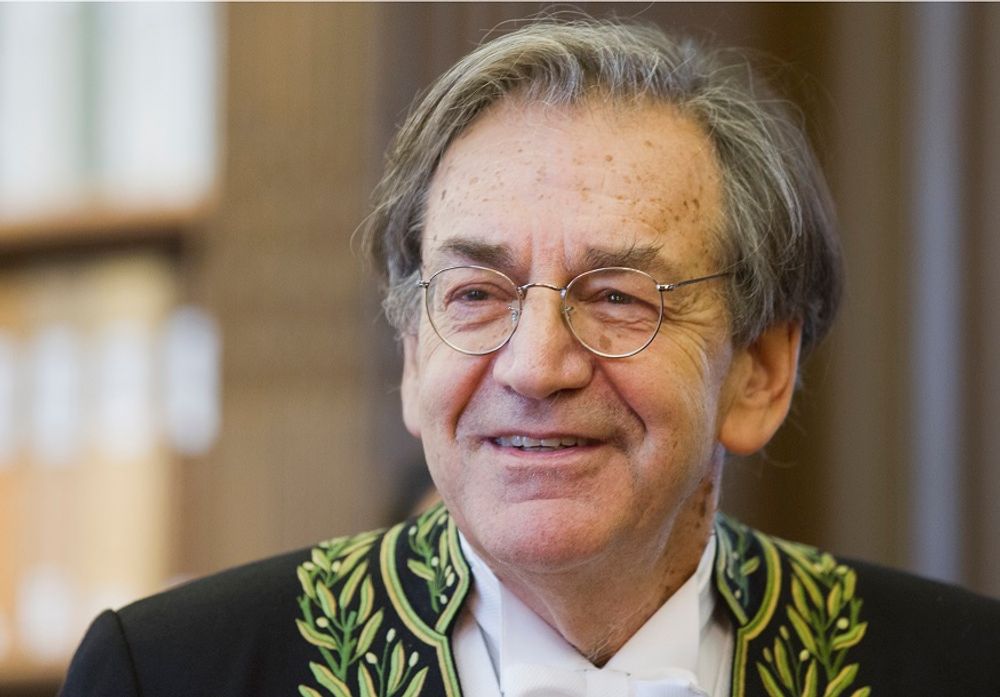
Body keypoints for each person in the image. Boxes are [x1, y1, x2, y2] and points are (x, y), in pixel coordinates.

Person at [59, 18, 999, 697]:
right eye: (476, 296)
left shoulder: (960, 667)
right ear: (412, 351)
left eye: (619, 298)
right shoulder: (171, 673)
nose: (534, 366)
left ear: (759, 370)